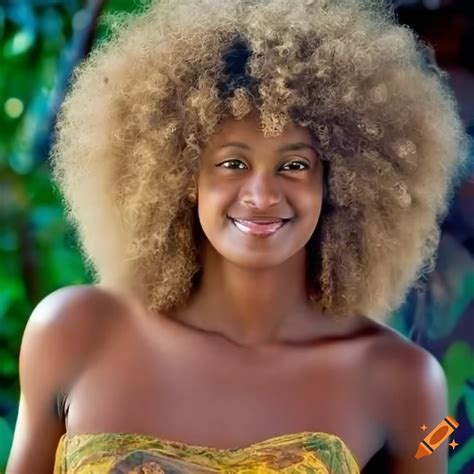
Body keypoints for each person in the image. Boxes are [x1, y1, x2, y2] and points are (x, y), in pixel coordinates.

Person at [6, 0, 469, 472]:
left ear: (338, 180)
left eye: (294, 165)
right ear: (182, 173)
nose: (263, 195)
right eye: (233, 163)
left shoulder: (403, 382)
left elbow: (441, 444)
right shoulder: (74, 332)